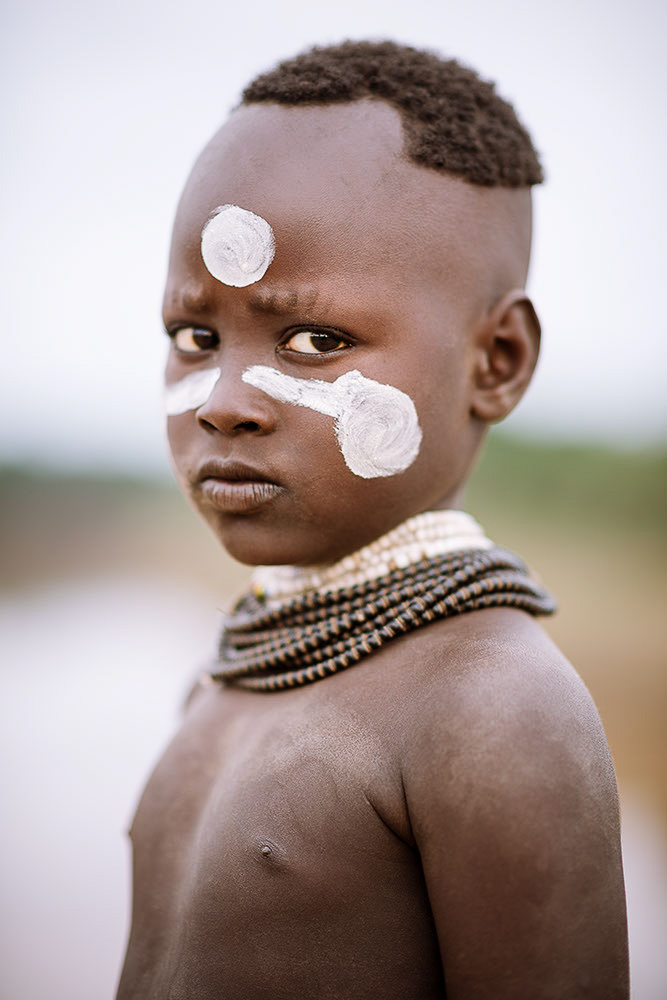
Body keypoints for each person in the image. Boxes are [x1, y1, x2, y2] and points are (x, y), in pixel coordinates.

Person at [116, 41, 629, 999]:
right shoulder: (228, 674)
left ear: (497, 361)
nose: (223, 402)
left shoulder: (493, 711)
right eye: (195, 336)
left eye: (314, 339)